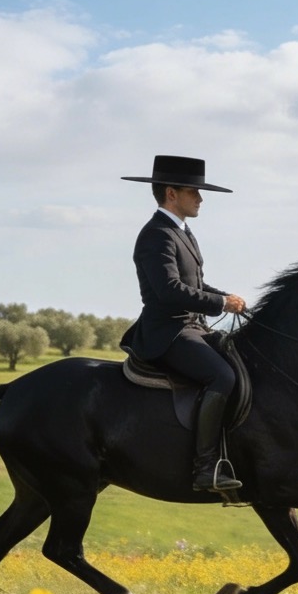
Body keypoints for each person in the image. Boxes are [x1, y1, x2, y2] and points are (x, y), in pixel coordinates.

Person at [120, 156, 246, 492]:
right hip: (168, 332)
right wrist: (220, 303)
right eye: (195, 192)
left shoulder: (182, 232)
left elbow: (196, 285)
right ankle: (206, 468)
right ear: (171, 193)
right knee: (222, 375)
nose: (201, 199)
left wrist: (226, 298)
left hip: (194, 326)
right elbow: (170, 291)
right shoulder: (156, 235)